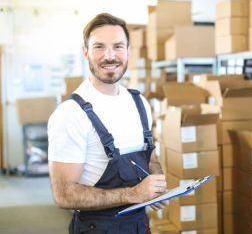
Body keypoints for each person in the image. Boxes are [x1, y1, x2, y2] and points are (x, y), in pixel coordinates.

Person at [48, 13, 168, 234]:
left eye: (118, 47)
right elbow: (64, 194)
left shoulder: (139, 102)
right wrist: (133, 194)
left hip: (139, 224)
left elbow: (148, 154)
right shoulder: (70, 113)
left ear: (128, 52)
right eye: (99, 47)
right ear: (86, 53)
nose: (109, 56)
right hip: (97, 228)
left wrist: (156, 185)